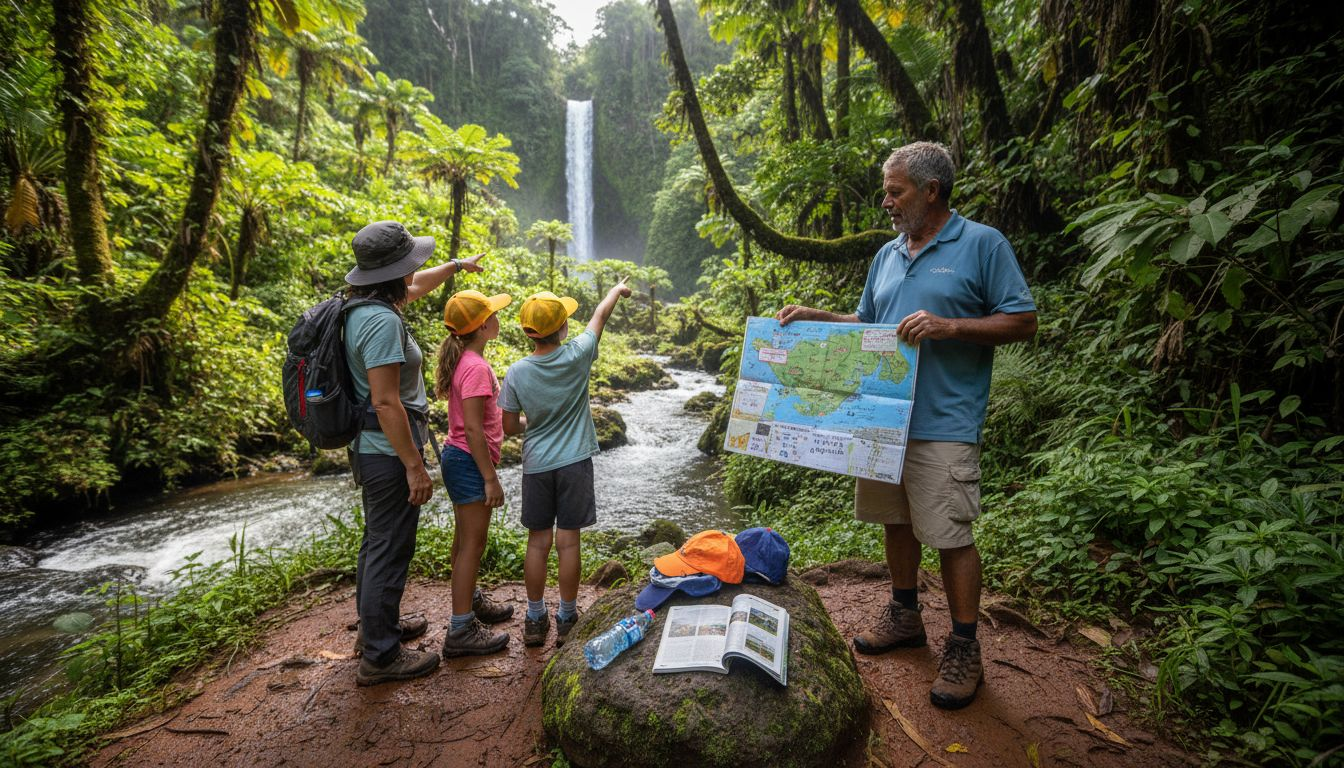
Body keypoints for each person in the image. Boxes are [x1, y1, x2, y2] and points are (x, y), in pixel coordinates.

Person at [777, 141, 1037, 709]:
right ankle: (905, 616)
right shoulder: (888, 254)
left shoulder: (982, 244)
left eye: (895, 191)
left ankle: (964, 646)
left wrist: (950, 327)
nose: (887, 201)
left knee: (950, 533)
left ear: (930, 191)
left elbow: (1022, 321)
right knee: (895, 522)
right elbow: (868, 323)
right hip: (880, 418)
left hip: (943, 420)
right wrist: (814, 316)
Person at [344, 220, 484, 686]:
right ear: (395, 272)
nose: (414, 273)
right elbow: (385, 401)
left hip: (371, 447)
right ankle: (380, 657)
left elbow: (417, 284)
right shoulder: (382, 322)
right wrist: (414, 465)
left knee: (376, 542)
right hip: (388, 451)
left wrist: (457, 266)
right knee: (390, 546)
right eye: (409, 265)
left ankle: (376, 630)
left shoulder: (362, 304)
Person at [499, 281, 631, 648]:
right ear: (562, 328)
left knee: (537, 542)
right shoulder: (578, 354)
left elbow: (509, 426)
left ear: (528, 332)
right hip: (574, 462)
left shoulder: (517, 372)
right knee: (568, 543)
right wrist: (616, 291)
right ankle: (568, 616)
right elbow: (599, 315)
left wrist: (532, 423)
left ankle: (535, 616)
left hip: (536, 464)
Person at [435, 289, 516, 657]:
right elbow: (472, 429)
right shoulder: (477, 368)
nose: (499, 318)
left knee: (464, 540)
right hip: (469, 461)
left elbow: (485, 421)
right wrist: (490, 477)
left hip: (458, 458)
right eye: (494, 314)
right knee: (473, 544)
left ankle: (471, 601)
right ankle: (461, 629)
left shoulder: (465, 361)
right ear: (483, 326)